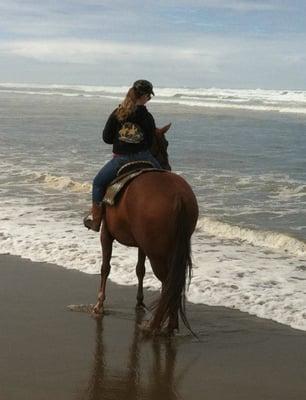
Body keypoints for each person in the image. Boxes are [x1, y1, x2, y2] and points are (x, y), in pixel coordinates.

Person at [84, 79, 166, 232]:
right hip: (144, 157)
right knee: (165, 178)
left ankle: (96, 221)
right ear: (144, 96)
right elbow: (149, 142)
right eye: (149, 96)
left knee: (98, 183)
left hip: (121, 160)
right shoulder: (148, 117)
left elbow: (106, 138)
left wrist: (122, 140)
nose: (149, 99)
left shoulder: (118, 113)